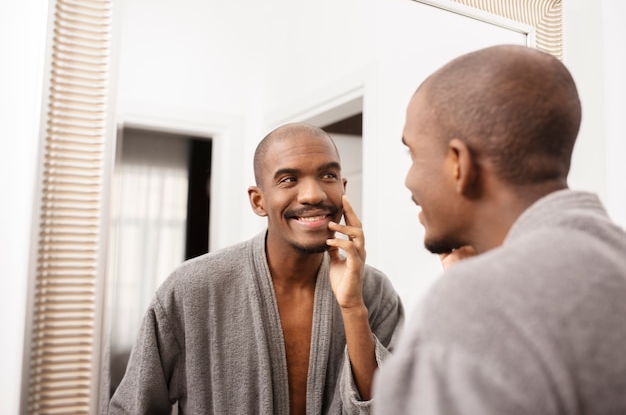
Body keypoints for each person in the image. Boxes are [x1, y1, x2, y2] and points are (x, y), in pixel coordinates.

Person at [372, 44, 626, 414]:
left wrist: (477, 291)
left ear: (459, 163)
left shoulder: (471, 303)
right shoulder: (612, 260)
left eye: (413, 154)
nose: (409, 180)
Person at [109, 122, 404, 414]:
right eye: (289, 179)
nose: (313, 195)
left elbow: (394, 406)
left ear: (343, 187)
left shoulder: (375, 293)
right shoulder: (190, 289)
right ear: (258, 200)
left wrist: (353, 308)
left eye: (328, 175)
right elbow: (132, 407)